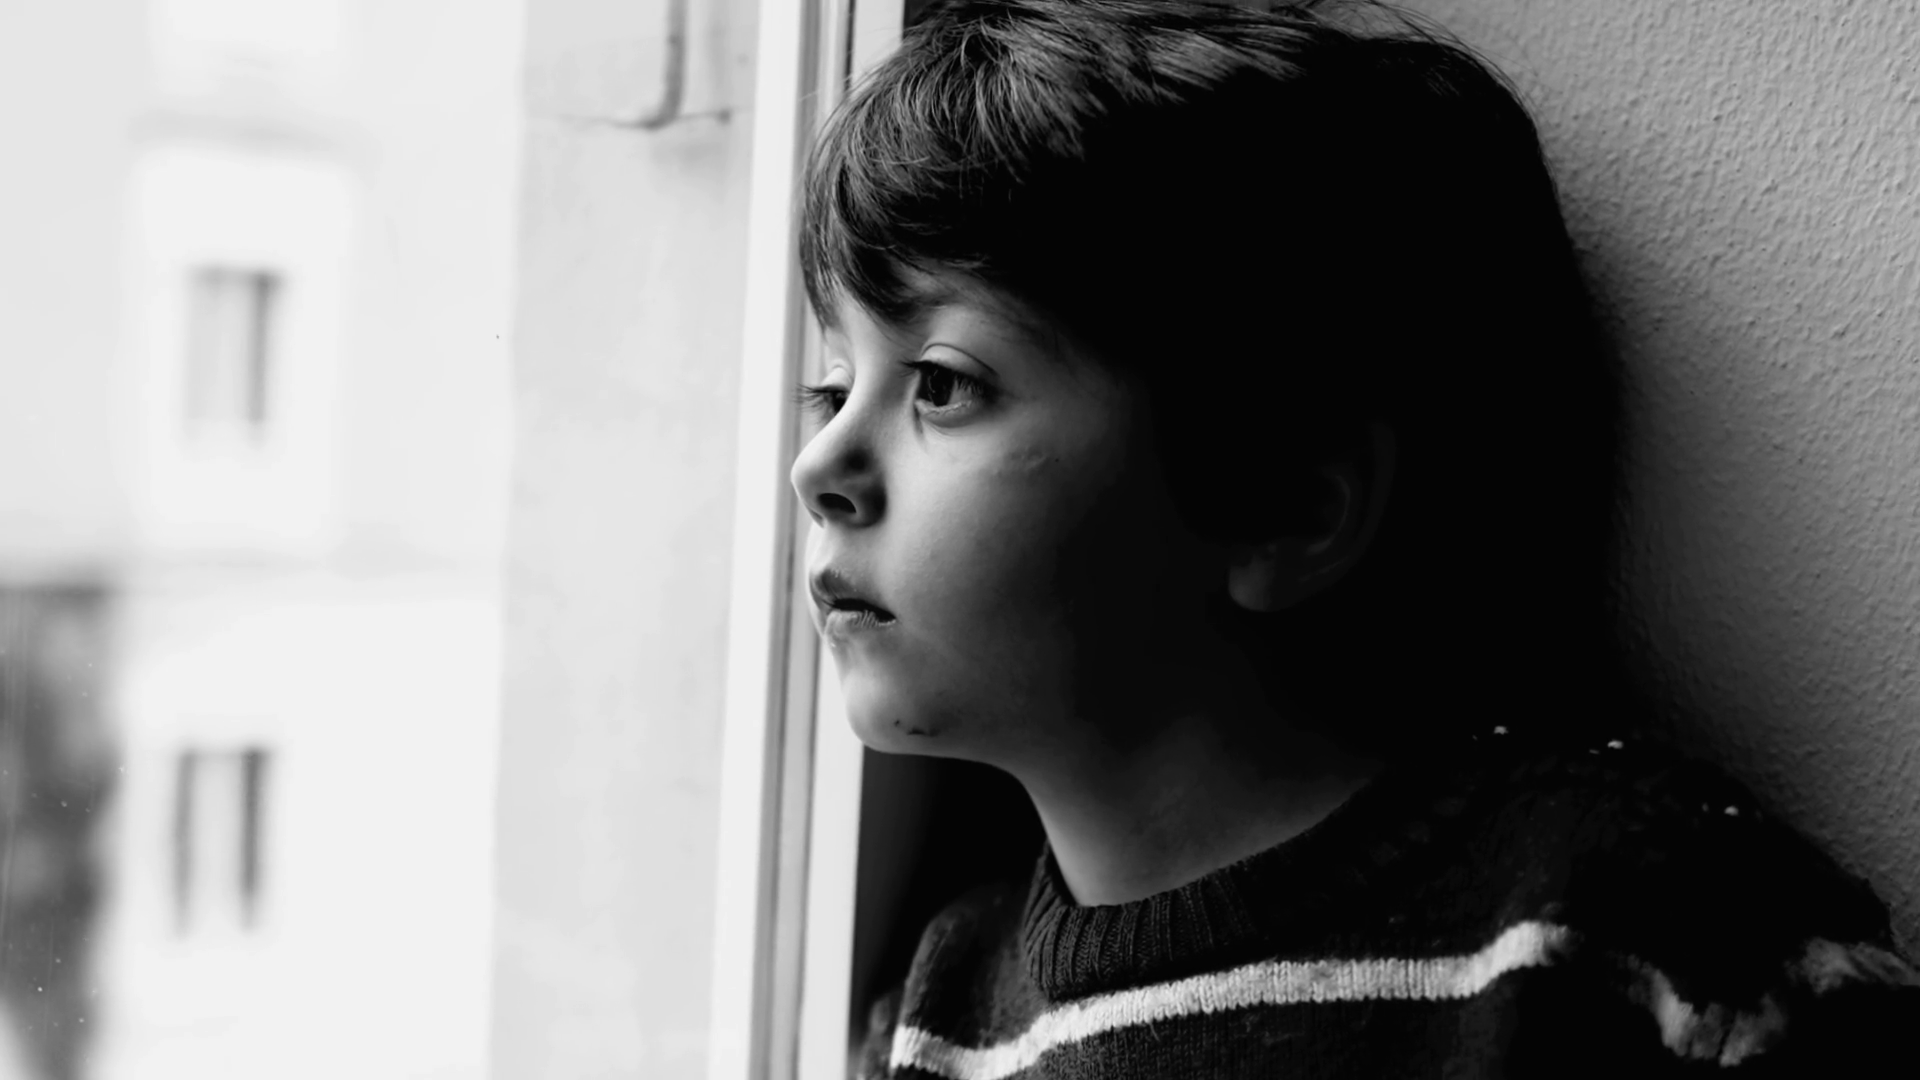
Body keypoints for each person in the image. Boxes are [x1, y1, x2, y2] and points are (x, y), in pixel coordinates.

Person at [785, 1, 1920, 1075]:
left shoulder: (1649, 925)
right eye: (833, 388)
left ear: (1289, 511)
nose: (818, 466)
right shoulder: (944, 1015)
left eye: (943, 384)